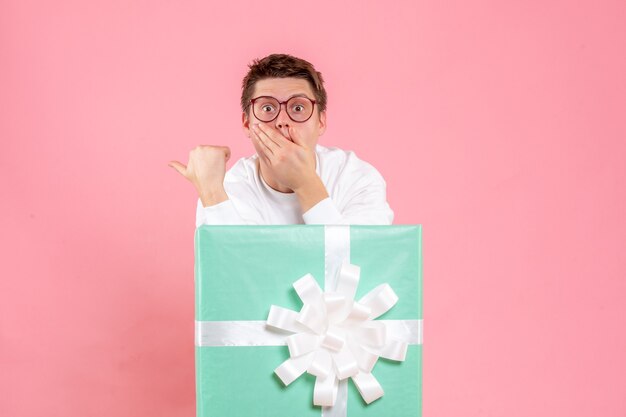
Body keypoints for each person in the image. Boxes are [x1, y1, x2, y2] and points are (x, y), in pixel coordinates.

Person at [169, 54, 394, 226]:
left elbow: (358, 270)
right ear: (247, 123)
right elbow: (231, 279)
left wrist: (305, 183)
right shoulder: (227, 189)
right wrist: (212, 194)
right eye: (267, 108)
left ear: (321, 122)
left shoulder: (357, 179)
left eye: (298, 107)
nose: (282, 122)